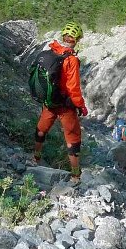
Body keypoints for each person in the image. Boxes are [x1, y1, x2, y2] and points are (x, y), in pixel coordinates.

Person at [32, 22, 88, 184]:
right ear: (75, 40)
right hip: (65, 105)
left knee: (42, 129)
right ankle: (76, 175)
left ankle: (35, 158)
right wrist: (81, 106)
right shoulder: (71, 59)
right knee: (73, 137)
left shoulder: (50, 51)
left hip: (49, 101)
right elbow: (73, 88)